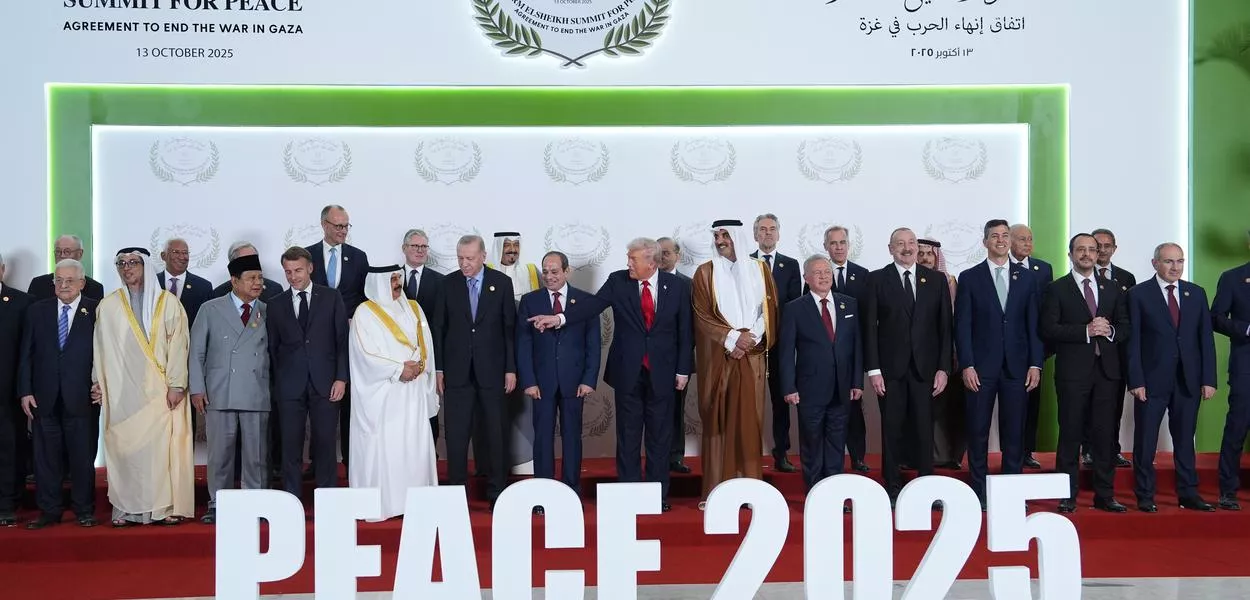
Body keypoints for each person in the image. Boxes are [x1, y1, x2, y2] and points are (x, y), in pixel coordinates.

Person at [531, 237, 693, 513]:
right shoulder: (618, 281)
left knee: (660, 437)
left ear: (651, 262)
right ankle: (629, 494)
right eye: (628, 258)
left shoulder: (677, 286)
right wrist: (560, 319)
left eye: (633, 259)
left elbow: (685, 331)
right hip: (627, 372)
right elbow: (591, 306)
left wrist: (683, 369)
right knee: (628, 436)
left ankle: (657, 495)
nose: (628, 263)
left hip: (664, 373)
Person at [94, 247, 193, 526]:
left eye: (133, 262)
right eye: (122, 263)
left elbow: (179, 345)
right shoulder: (108, 306)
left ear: (146, 266)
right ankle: (127, 510)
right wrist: (97, 382)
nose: (127, 268)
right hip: (122, 392)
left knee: (160, 453)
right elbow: (100, 348)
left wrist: (176, 384)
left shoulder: (168, 303)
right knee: (126, 451)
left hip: (161, 392)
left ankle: (162, 508)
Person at [954, 220, 1043, 509]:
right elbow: (962, 326)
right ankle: (979, 492)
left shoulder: (1027, 278)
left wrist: (1036, 364)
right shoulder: (970, 277)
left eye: (1005, 235)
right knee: (977, 432)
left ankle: (1011, 494)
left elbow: (1034, 325)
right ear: (985, 242)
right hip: (980, 368)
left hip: (1017, 368)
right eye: (995, 236)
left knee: (1014, 433)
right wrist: (967, 364)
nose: (1001, 240)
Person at [1040, 233, 1130, 513]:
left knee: (1105, 436)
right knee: (1070, 434)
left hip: (1107, 373)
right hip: (1073, 373)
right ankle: (1067, 495)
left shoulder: (1112, 288)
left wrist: (1110, 330)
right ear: (1070, 254)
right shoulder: (1057, 289)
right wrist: (1085, 331)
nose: (1087, 254)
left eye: (1092, 249)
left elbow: (1126, 326)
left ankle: (1105, 495)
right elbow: (1048, 328)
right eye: (1081, 249)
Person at [862, 227, 951, 507]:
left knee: (925, 431)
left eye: (911, 242)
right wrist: (873, 370)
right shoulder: (876, 279)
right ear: (890, 249)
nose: (907, 247)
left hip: (926, 371)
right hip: (890, 372)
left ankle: (926, 488)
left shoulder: (936, 280)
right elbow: (869, 328)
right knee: (892, 430)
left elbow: (945, 328)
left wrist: (944, 368)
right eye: (900, 243)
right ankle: (892, 487)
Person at [692, 219, 778, 505]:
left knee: (749, 422)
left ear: (737, 237)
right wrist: (732, 339)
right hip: (720, 358)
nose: (720, 241)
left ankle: (750, 491)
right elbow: (702, 315)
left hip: (750, 357)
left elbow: (768, 309)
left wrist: (749, 338)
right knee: (718, 423)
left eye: (725, 235)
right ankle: (717, 493)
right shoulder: (705, 272)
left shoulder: (760, 269)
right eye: (717, 236)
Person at [1126, 243, 1216, 512]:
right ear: (1155, 263)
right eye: (1168, 261)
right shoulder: (1138, 294)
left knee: (1185, 440)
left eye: (1180, 261)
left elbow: (1205, 339)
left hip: (1188, 380)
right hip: (1151, 380)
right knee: (1146, 441)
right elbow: (1133, 342)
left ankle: (1188, 493)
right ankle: (1145, 494)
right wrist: (1136, 380)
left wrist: (1208, 379)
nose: (1175, 267)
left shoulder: (1196, 293)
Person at [348, 265, 439, 521]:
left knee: (414, 446)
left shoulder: (414, 307)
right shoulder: (364, 313)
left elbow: (427, 344)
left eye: (398, 277)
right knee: (387, 449)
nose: (397, 283)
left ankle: (414, 504)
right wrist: (399, 369)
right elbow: (364, 355)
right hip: (384, 396)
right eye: (391, 280)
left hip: (414, 392)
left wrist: (421, 367)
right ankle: (387, 505)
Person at [434, 235, 517, 510]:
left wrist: (510, 368)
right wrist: (439, 368)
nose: (464, 264)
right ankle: (456, 495)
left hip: (493, 371)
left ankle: (497, 493)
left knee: (495, 433)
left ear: (483, 256)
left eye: (469, 258)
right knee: (456, 435)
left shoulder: (501, 283)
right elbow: (439, 329)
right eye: (460, 258)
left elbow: (509, 329)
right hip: (456, 373)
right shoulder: (447, 284)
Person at [189, 254, 271, 525]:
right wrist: (197, 388)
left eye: (260, 278)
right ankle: (218, 504)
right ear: (234, 281)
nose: (258, 283)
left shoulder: (268, 310)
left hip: (256, 391)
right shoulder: (210, 309)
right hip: (219, 391)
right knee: (220, 455)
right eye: (251, 278)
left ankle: (256, 504)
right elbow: (196, 352)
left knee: (256, 456)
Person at [516, 251, 601, 511]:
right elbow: (523, 344)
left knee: (572, 437)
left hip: (575, 382)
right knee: (542, 438)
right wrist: (528, 381)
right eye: (545, 271)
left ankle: (571, 492)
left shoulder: (585, 301)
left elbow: (593, 345)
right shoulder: (530, 301)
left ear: (567, 271)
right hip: (541, 384)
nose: (549, 276)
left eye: (554, 271)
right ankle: (543, 495)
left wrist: (589, 379)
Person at [18, 259, 99, 529]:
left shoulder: (97, 310)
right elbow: (26, 354)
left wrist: (102, 384)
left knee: (82, 457)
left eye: (69, 280)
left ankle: (84, 509)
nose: (63, 285)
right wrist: (25, 390)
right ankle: (49, 510)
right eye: (59, 280)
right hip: (44, 397)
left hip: (83, 397)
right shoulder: (37, 311)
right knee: (45, 458)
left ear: (82, 283)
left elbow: (107, 354)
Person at [267, 246, 349, 499]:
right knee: (290, 446)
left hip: (326, 383)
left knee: (325, 444)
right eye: (288, 271)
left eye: (298, 270)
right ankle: (291, 500)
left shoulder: (331, 297)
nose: (293, 276)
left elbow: (342, 341)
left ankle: (328, 500)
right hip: (289, 387)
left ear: (310, 268)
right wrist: (278, 384)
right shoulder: (275, 304)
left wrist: (341, 378)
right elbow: (273, 348)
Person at [778, 255, 862, 496]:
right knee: (812, 445)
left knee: (837, 445)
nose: (824, 276)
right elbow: (786, 352)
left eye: (827, 271)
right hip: (809, 390)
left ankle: (833, 497)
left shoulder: (849, 304)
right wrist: (789, 387)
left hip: (842, 388)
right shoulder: (795, 308)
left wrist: (857, 381)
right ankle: (815, 496)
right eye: (817, 272)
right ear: (806, 278)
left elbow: (857, 346)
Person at [306, 204, 368, 471]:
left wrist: (357, 321)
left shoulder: (358, 257)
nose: (343, 231)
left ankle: (352, 462)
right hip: (317, 343)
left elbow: (365, 297)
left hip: (351, 341)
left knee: (350, 403)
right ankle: (319, 463)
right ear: (324, 225)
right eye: (338, 226)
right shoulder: (307, 255)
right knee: (321, 404)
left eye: (346, 226)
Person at [806, 225, 872, 473]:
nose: (839, 247)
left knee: (854, 409)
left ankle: (857, 456)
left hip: (851, 355)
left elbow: (866, 319)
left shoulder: (862, 275)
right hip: (822, 363)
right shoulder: (815, 274)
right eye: (833, 243)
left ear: (848, 244)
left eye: (842, 242)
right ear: (826, 246)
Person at [749, 214, 801, 473]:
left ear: (778, 234)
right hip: (751, 345)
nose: (767, 233)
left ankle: (781, 453)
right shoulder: (744, 263)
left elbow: (793, 305)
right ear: (755, 234)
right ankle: (748, 454)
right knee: (749, 402)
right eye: (762, 229)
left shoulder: (790, 265)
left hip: (780, 345)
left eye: (772, 229)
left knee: (781, 402)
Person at [488, 231, 539, 475]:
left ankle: (525, 459)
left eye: (516, 245)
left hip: (526, 349)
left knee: (525, 407)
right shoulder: (486, 271)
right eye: (507, 245)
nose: (512, 250)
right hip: (494, 351)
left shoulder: (531, 272)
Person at [1087, 227, 1136, 468]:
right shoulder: (1079, 275)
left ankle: (1112, 449)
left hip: (1115, 353)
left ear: (1114, 249)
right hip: (1085, 352)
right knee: (1086, 404)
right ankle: (1088, 449)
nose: (1103, 250)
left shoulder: (1126, 278)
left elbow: (1129, 318)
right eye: (1099, 246)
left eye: (1108, 246)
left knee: (1113, 405)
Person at [918, 237, 965, 471]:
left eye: (930, 254)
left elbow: (954, 319)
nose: (925, 258)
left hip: (948, 355)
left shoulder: (949, 281)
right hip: (919, 356)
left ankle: (947, 455)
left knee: (947, 409)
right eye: (921, 253)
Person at [1010, 223, 1053, 469]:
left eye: (1030, 238)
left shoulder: (1043, 269)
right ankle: (1010, 452)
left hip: (1035, 346)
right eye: (1021, 239)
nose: (1027, 243)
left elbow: (1047, 308)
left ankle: (1027, 451)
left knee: (1032, 401)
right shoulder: (1001, 268)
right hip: (1008, 345)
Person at [1213, 231, 1250, 511]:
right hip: (1245, 367)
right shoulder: (1232, 278)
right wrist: (1246, 329)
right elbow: (1216, 317)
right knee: (1237, 428)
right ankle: (1228, 490)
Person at [401, 228, 446, 446]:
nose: (420, 250)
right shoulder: (391, 279)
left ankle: (430, 452)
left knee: (429, 405)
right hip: (401, 359)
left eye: (423, 246)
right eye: (415, 246)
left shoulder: (441, 281)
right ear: (404, 248)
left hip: (430, 355)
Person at [0, 252, 33, 527]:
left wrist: (26, 388)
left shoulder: (22, 302)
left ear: (2, 270)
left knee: (9, 449)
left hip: (9, 393)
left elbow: (28, 352)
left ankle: (7, 504)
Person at [657, 236, 694, 473]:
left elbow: (692, 327)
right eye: (657, 252)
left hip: (678, 361)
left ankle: (675, 456)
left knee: (675, 410)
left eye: (666, 253)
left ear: (677, 256)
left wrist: (683, 361)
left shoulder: (689, 285)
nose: (661, 257)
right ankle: (656, 457)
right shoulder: (643, 281)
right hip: (651, 361)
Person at [156, 237, 213, 327]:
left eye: (185, 253)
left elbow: (209, 322)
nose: (182, 257)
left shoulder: (203, 287)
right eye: (176, 252)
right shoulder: (151, 283)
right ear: (163, 256)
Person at [27, 235, 104, 300]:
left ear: (80, 254)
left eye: (67, 251)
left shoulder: (95, 288)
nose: (62, 255)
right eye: (58, 251)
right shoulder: (38, 284)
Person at [212, 241, 283, 302]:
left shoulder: (275, 290)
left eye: (254, 259)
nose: (251, 264)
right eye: (245, 261)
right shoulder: (218, 294)